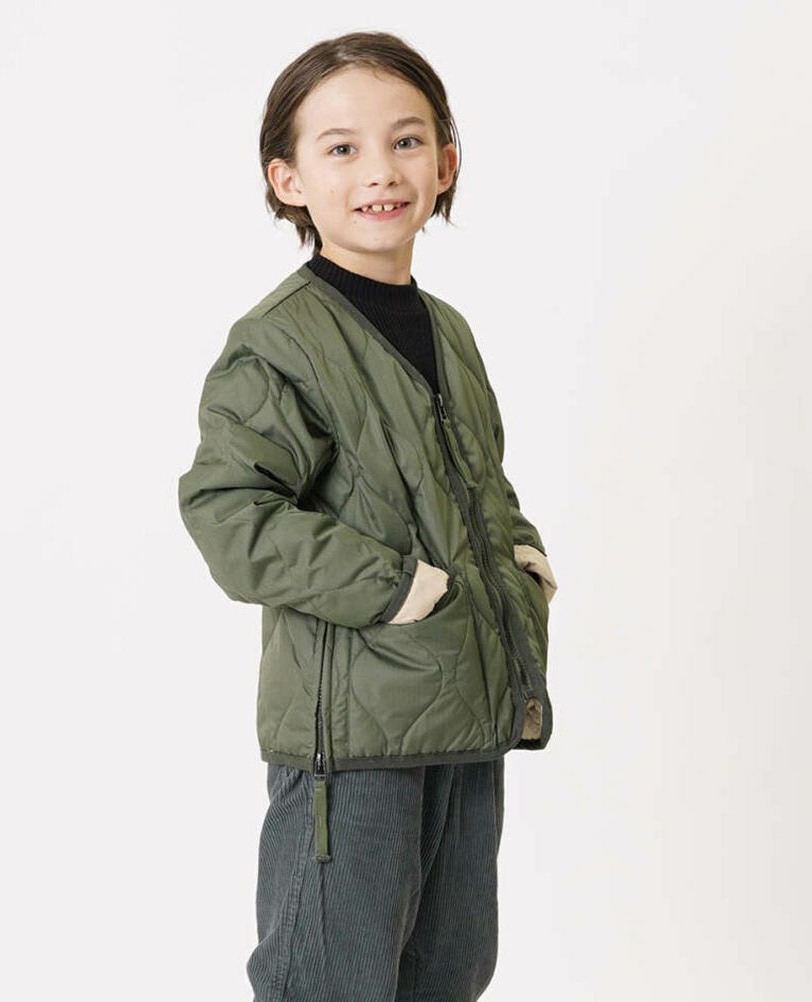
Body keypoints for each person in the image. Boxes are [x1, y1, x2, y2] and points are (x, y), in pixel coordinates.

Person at [177, 30, 558, 1002]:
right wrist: (395, 589)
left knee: (449, 975)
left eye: (407, 140)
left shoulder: (448, 330)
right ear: (288, 178)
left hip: (463, 719)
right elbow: (229, 513)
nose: (381, 170)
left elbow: (475, 478)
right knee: (329, 983)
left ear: (446, 163)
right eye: (342, 148)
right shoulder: (280, 343)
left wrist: (522, 556)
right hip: (352, 744)